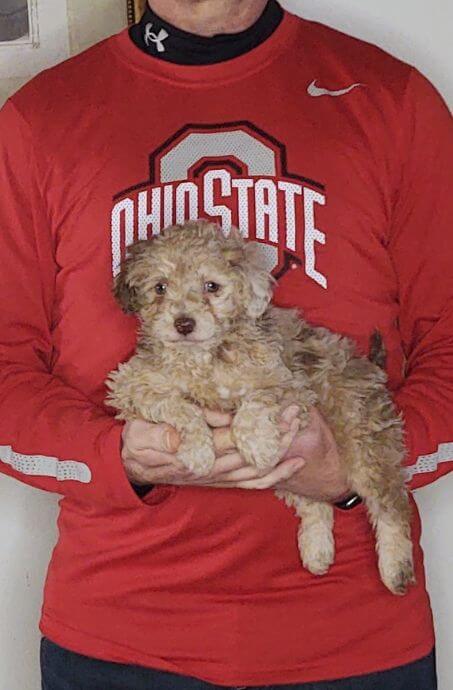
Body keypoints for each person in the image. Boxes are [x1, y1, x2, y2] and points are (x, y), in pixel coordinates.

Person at [0, 0, 451, 688]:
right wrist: (115, 456)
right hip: (122, 638)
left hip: (353, 638)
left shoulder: (390, 98)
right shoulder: (38, 120)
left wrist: (349, 469)